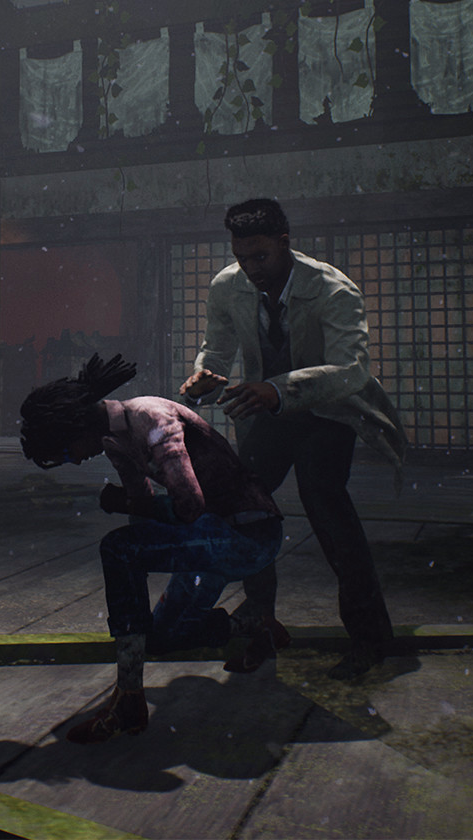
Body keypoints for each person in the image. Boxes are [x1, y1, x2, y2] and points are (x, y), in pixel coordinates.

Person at [179, 197, 408, 681]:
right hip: (269, 416)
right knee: (244, 508)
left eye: (260, 256)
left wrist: (280, 389)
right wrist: (203, 379)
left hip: (328, 412)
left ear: (284, 243)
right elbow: (215, 350)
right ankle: (261, 626)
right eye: (242, 257)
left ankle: (370, 639)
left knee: (326, 507)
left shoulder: (332, 289)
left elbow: (351, 370)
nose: (251, 268)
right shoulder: (228, 286)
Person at [20, 353, 287, 744]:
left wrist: (125, 508)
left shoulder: (150, 418)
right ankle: (253, 624)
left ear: (75, 427)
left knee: (118, 550)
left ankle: (129, 697)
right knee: (158, 637)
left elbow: (188, 505)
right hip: (210, 540)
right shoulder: (116, 441)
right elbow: (144, 516)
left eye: (64, 453)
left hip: (247, 537)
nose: (73, 461)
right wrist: (136, 530)